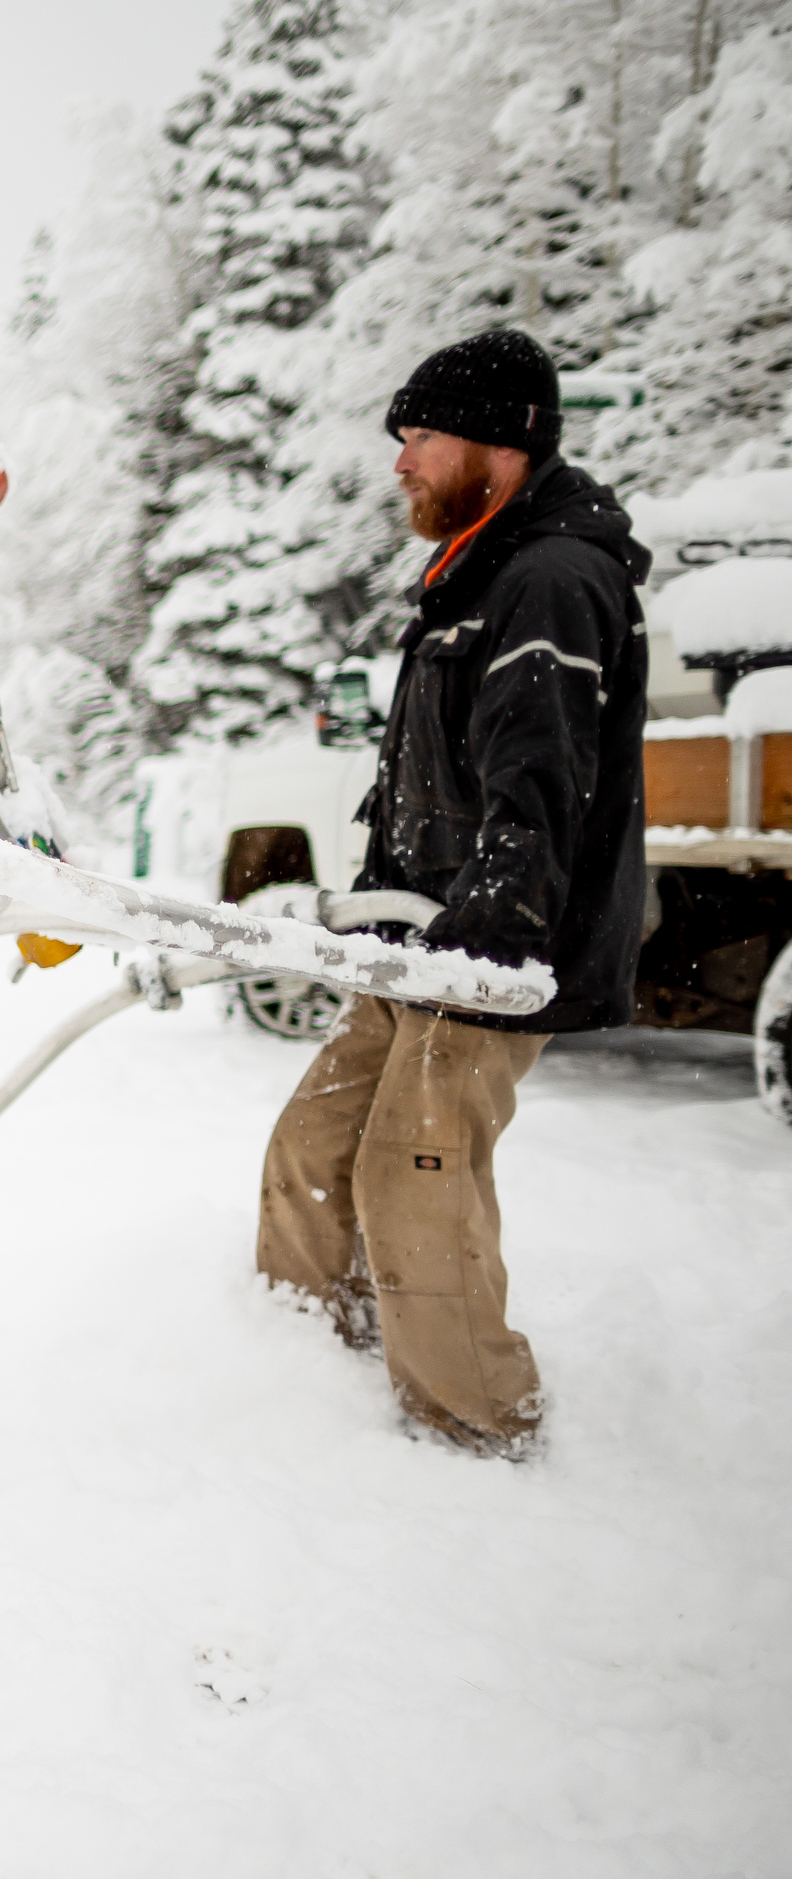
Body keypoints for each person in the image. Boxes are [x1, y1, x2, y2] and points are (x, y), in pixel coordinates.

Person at [256, 328, 649, 1458]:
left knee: (410, 1180)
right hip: (417, 939)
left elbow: (542, 781)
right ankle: (291, 1373)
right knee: (310, 1149)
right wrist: (380, 903)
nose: (401, 461)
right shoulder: (477, 571)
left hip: (487, 950)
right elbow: (436, 772)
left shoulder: (553, 579)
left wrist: (489, 938)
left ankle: (477, 1424)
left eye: (420, 436)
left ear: (500, 443)